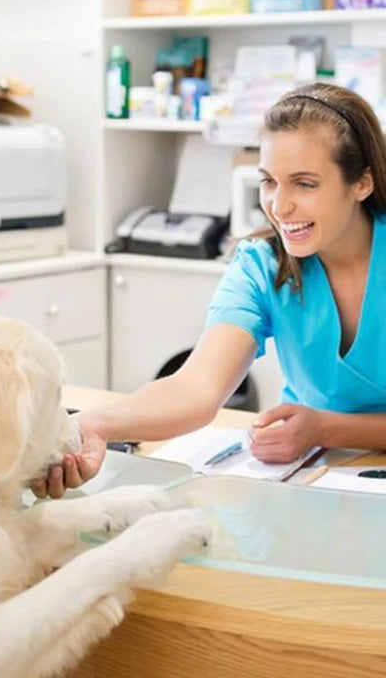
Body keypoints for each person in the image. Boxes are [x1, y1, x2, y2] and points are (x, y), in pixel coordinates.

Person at [57, 82, 386, 496]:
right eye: (269, 181)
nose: (279, 207)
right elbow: (196, 388)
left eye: (304, 184)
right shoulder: (261, 265)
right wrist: (89, 426)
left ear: (361, 184)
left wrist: (325, 427)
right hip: (317, 477)